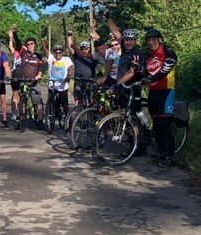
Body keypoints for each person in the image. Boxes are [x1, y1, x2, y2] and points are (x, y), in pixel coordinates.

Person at [105, 11, 146, 153]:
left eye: (131, 40)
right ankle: (133, 142)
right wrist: (108, 17)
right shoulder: (124, 48)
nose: (128, 42)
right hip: (123, 88)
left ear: (135, 40)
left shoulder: (137, 54)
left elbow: (132, 72)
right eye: (127, 40)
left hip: (132, 89)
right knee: (125, 115)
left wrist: (116, 84)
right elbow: (115, 31)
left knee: (134, 117)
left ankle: (140, 146)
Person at [142, 29, 178, 167]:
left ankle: (171, 157)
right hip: (153, 93)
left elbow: (164, 72)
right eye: (149, 41)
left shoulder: (169, 54)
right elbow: (144, 75)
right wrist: (139, 72)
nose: (151, 42)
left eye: (154, 40)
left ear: (159, 40)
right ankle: (162, 154)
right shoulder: (149, 59)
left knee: (165, 124)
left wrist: (148, 78)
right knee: (156, 125)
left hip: (167, 91)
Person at [40, 41, 74, 120]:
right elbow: (45, 49)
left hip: (62, 86)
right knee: (51, 102)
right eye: (56, 52)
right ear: (54, 53)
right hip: (52, 85)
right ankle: (51, 115)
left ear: (62, 53)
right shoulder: (51, 58)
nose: (58, 54)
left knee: (65, 105)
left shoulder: (66, 59)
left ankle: (69, 121)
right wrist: (42, 39)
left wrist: (68, 76)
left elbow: (71, 68)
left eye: (60, 52)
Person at [66, 31, 102, 106]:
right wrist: (69, 36)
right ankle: (78, 116)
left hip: (90, 81)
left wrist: (100, 72)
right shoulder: (77, 55)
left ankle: (93, 112)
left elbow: (98, 66)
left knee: (93, 98)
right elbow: (71, 46)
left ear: (88, 49)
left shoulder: (92, 57)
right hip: (79, 81)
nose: (84, 50)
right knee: (78, 100)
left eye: (85, 49)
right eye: (82, 49)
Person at [18, 36, 45, 129]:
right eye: (28, 44)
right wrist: (14, 33)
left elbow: (41, 66)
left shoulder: (38, 55)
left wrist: (39, 74)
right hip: (24, 80)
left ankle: (41, 121)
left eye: (31, 44)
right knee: (22, 101)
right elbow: (17, 43)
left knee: (38, 102)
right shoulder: (24, 54)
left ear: (35, 45)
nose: (30, 46)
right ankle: (21, 120)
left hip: (35, 81)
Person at [8, 25, 23, 121]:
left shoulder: (27, 55)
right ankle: (14, 113)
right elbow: (11, 46)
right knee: (15, 94)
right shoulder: (17, 53)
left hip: (24, 75)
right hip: (16, 75)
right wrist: (11, 37)